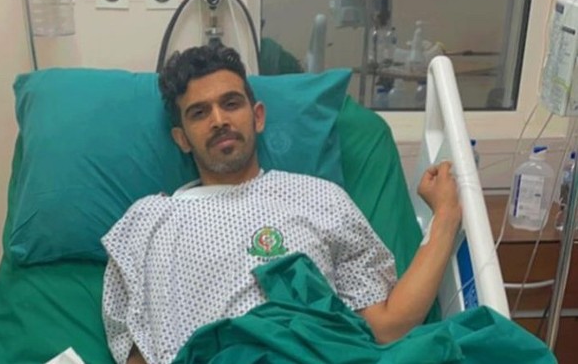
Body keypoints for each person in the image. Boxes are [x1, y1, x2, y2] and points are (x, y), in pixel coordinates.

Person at [101, 45, 461, 364]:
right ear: (181, 139)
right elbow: (136, 354)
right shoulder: (147, 223)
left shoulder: (321, 198)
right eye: (199, 113)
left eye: (231, 103)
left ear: (257, 116)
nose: (219, 120)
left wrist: (445, 216)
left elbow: (387, 327)